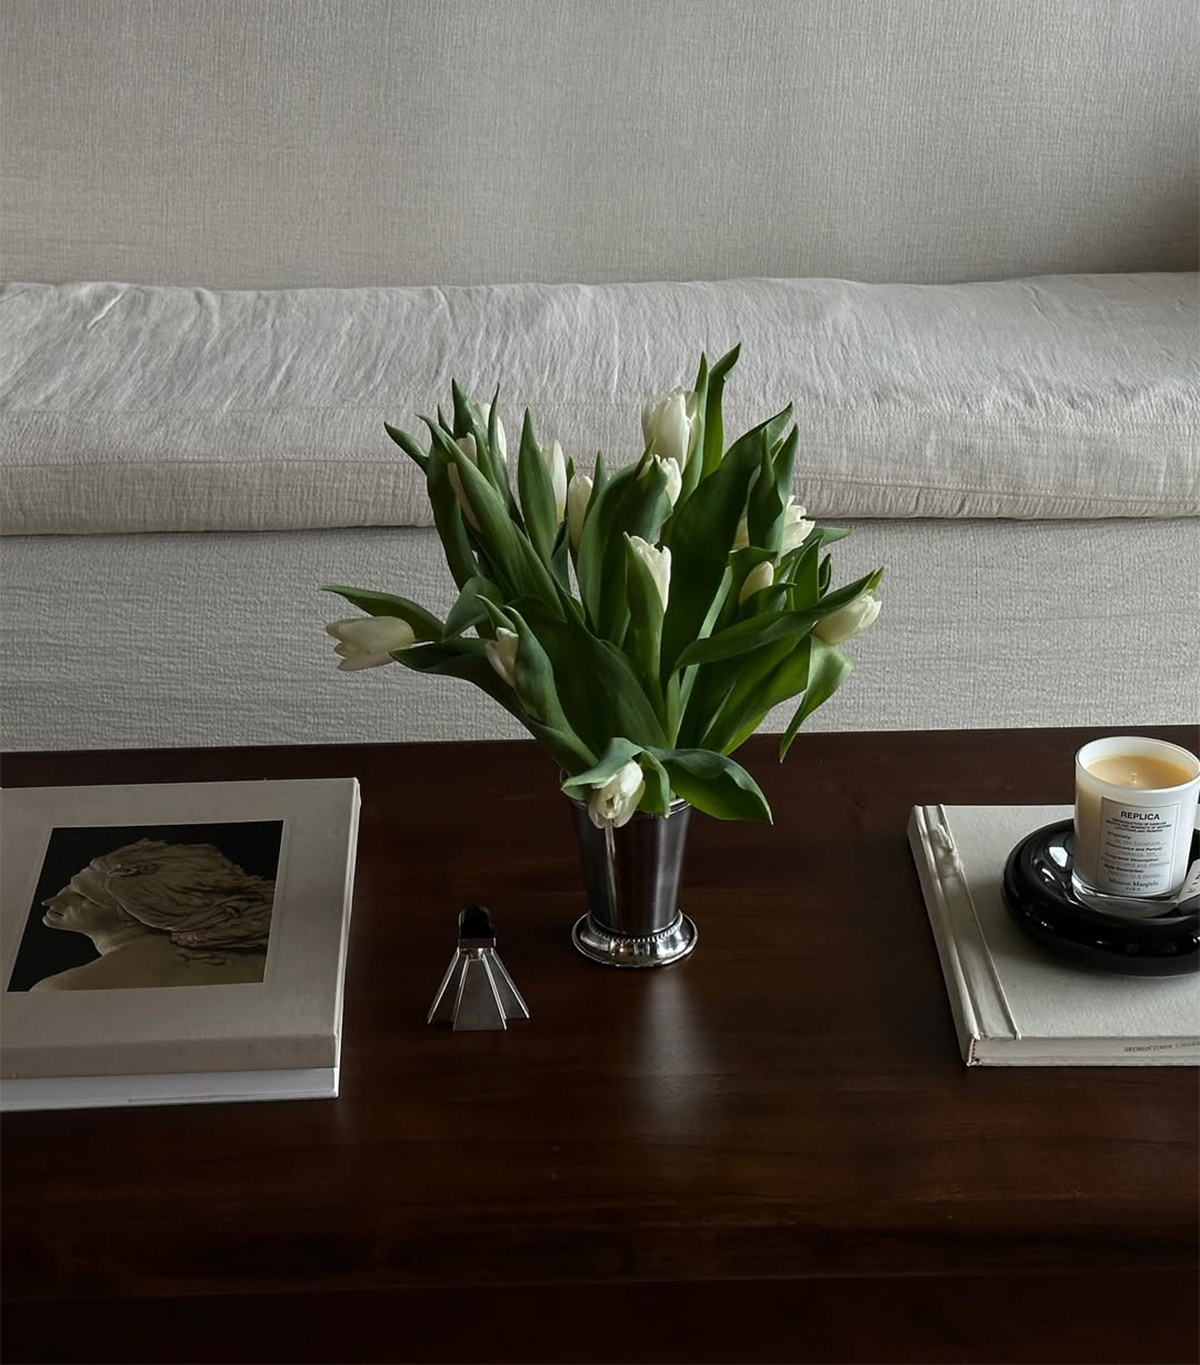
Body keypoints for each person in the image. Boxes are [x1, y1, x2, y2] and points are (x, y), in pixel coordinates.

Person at [33, 838, 275, 990]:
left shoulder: (63, 990)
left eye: (84, 897)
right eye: (68, 888)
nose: (51, 901)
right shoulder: (264, 962)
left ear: (138, 913)